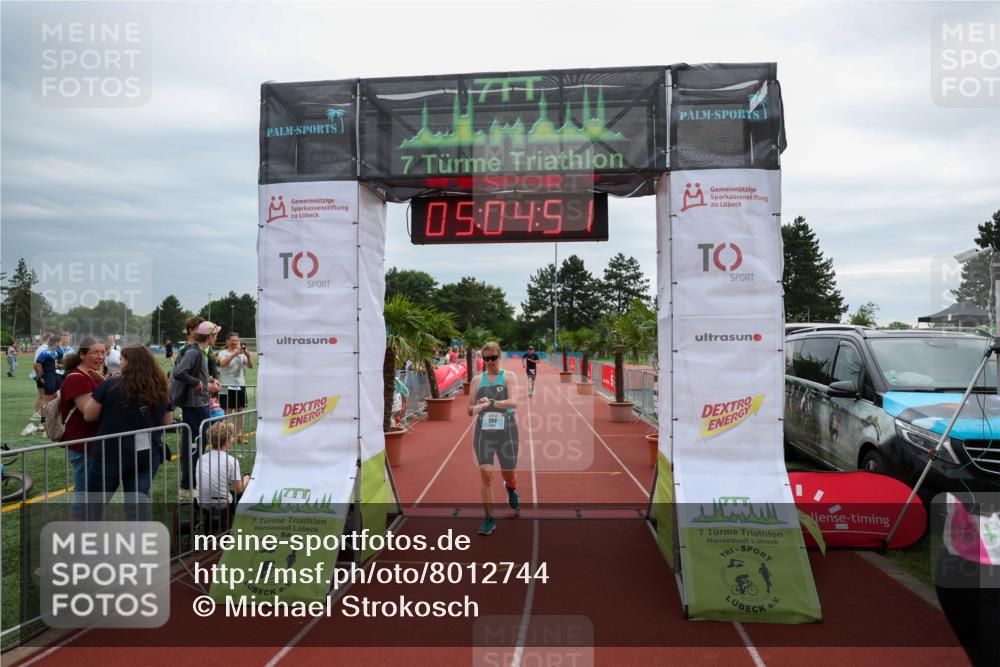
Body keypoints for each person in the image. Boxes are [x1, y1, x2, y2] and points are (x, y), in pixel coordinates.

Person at [83, 344, 173, 520]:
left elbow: (89, 414)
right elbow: (167, 421)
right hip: (146, 453)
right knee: (137, 506)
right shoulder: (161, 385)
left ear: (129, 363)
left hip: (111, 453)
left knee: (94, 506)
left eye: (122, 359)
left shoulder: (112, 384)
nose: (119, 362)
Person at [467, 341, 520, 536]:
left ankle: (511, 488)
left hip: (507, 431)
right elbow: (469, 409)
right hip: (484, 432)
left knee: (509, 474)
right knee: (486, 475)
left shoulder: (509, 377)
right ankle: (489, 519)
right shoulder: (476, 381)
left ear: (500, 356)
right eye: (486, 358)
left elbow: (514, 401)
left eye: (493, 358)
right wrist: (478, 408)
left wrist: (492, 402)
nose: (490, 362)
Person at [171, 321, 222, 499]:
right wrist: (198, 383)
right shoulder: (194, 352)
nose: (217, 338)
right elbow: (179, 372)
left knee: (197, 446)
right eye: (215, 335)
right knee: (193, 447)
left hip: (199, 404)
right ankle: (187, 487)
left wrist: (207, 383)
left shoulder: (199, 352)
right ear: (209, 336)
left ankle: (190, 485)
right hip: (194, 407)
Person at [58, 337, 106, 518]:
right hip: (83, 445)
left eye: (103, 352)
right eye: (95, 352)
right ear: (82, 354)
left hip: (93, 443)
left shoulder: (93, 375)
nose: (100, 356)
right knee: (85, 494)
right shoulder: (77, 379)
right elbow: (88, 412)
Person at [197, 421, 251, 510]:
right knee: (244, 490)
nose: (233, 439)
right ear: (226, 441)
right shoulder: (231, 461)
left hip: (202, 503)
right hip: (223, 505)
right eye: (232, 437)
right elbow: (238, 490)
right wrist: (246, 479)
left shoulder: (201, 459)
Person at [218, 332, 253, 440]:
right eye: (232, 340)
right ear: (227, 341)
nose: (234, 342)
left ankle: (239, 435)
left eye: (236, 340)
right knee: (227, 412)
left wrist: (248, 355)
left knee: (240, 411)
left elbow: (250, 366)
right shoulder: (222, 352)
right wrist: (234, 354)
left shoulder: (242, 354)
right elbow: (223, 363)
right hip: (225, 385)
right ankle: (228, 436)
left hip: (240, 385)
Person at [29, 331, 55, 420]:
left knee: (41, 395)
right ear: (49, 339)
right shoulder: (44, 349)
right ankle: (38, 413)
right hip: (42, 375)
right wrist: (40, 377)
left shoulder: (42, 348)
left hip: (40, 375)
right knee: (44, 396)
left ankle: (36, 413)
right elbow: (37, 364)